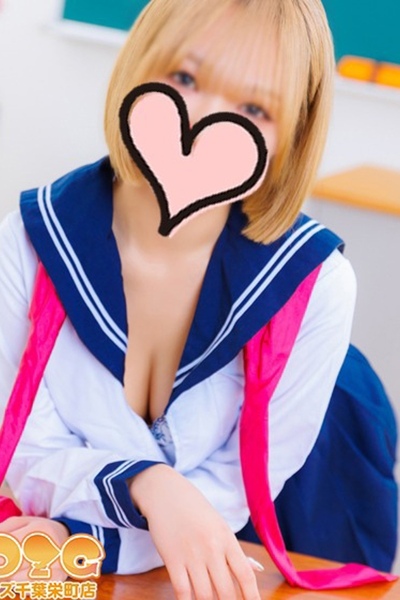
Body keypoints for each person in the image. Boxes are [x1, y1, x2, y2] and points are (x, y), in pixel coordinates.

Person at [0, 0, 358, 598]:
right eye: (186, 77)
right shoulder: (28, 242)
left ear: (293, 133)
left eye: (255, 109)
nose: (205, 120)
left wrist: (84, 537)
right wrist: (149, 485)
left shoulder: (315, 285)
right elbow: (25, 449)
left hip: (238, 565)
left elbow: (234, 492)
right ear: (141, 62)